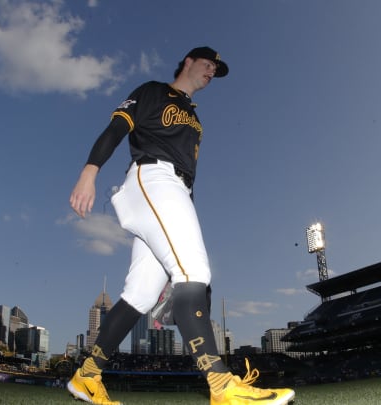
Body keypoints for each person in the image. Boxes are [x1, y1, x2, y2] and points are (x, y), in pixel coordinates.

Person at [67, 46, 295, 405]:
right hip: (151, 178)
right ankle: (221, 386)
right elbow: (116, 128)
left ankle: (87, 376)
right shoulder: (154, 90)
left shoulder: (196, 118)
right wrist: (89, 171)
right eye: (208, 64)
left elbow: (187, 179)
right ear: (188, 61)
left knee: (140, 295)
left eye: (216, 70)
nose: (211, 72)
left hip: (174, 193)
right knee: (193, 272)